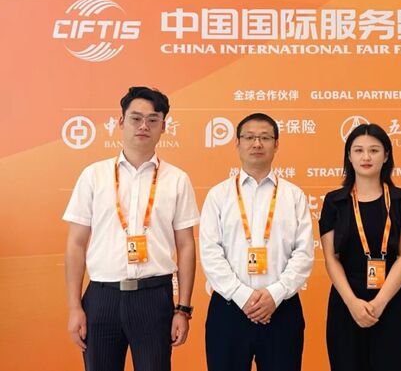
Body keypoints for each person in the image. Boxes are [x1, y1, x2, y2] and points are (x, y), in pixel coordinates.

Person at [64, 86, 200, 371]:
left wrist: (183, 309)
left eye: (153, 119)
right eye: (136, 118)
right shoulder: (93, 175)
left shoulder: (177, 179)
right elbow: (76, 243)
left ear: (164, 127)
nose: (143, 126)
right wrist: (75, 306)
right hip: (102, 297)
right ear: (120, 122)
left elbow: (186, 245)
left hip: (154, 297)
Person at [200, 113, 314, 371]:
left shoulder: (293, 195)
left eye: (265, 137)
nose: (257, 144)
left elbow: (304, 253)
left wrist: (275, 294)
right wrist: (243, 296)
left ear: (276, 144)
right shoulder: (218, 195)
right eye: (249, 137)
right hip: (229, 308)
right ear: (237, 143)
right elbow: (210, 252)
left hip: (281, 309)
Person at [319, 123, 401, 371]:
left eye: (374, 150)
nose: (366, 157)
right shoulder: (335, 201)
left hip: (392, 303)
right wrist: (352, 302)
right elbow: (331, 258)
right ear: (349, 156)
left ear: (386, 156)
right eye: (358, 150)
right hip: (346, 303)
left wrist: (380, 302)